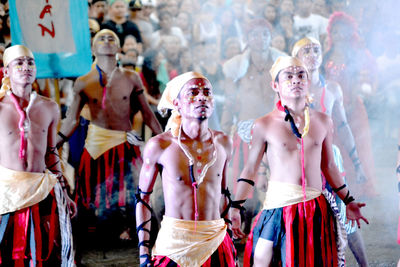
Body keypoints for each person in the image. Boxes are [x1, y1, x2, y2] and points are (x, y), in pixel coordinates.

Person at [231, 56, 368, 266]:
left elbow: (329, 166)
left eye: (301, 75)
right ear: (275, 85)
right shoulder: (264, 124)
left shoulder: (323, 121)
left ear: (308, 81)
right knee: (262, 259)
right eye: (288, 76)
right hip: (278, 206)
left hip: (315, 206)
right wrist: (235, 207)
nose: (296, 80)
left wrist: (348, 200)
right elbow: (250, 169)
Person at [56, 29, 162, 259]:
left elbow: (148, 114)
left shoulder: (132, 77)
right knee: (88, 198)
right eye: (101, 38)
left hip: (125, 142)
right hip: (94, 145)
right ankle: (79, 249)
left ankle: (146, 244)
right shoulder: (83, 81)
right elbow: (72, 119)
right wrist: (54, 144)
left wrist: (165, 138)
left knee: (136, 193)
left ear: (118, 47)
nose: (106, 40)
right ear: (93, 49)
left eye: (111, 37)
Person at [136, 72, 236, 267]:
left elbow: (224, 194)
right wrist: (143, 253)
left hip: (215, 240)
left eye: (207, 92)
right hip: (175, 243)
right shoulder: (160, 145)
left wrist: (230, 236)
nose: (201, 97)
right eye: (193, 92)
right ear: (177, 103)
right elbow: (143, 199)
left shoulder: (223, 142)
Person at [292, 36, 369, 266]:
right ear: (296, 58)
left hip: (329, 159)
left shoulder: (332, 89)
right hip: (300, 162)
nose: (312, 55)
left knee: (344, 215)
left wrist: (357, 163)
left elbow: (343, 127)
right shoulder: (289, 89)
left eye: (316, 50)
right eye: (306, 51)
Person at [0, 45, 76, 266]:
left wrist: (63, 190)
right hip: (7, 193)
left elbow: (52, 152)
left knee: (42, 251)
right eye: (19, 63)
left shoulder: (49, 107)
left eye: (30, 62)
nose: (26, 67)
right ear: (6, 71)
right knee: (6, 253)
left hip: (40, 189)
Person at [323, 12, 377, 198]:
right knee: (336, 145)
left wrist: (351, 103)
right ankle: (338, 184)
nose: (340, 35)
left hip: (353, 106)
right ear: (331, 33)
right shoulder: (325, 55)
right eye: (336, 31)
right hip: (332, 106)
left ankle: (360, 185)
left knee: (357, 144)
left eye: (343, 31)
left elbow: (358, 82)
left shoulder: (355, 55)